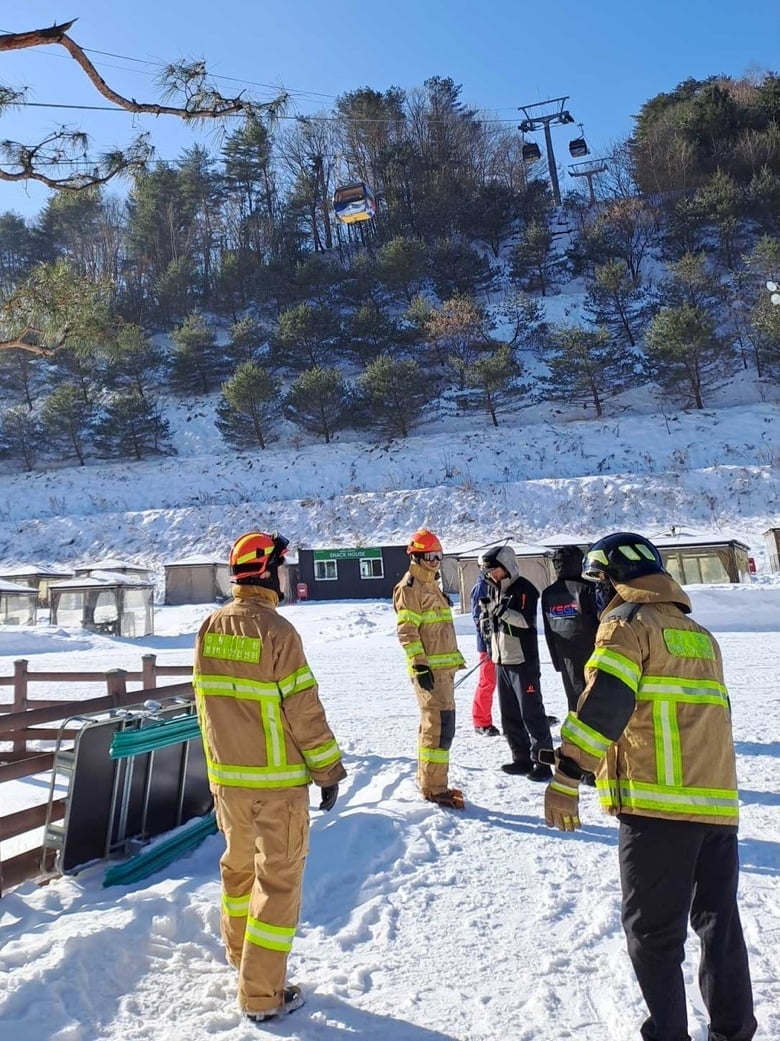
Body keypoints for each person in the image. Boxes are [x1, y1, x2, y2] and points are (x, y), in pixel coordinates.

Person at [544, 531, 756, 1041]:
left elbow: (604, 707)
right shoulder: (698, 633)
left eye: (598, 581)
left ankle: (668, 1034)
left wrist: (567, 774)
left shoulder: (625, 625)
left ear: (610, 580)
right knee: (718, 927)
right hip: (716, 806)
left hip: (658, 807)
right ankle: (732, 1032)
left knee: (652, 935)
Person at [193, 530, 347, 1023]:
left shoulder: (209, 627)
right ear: (265, 572)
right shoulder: (277, 632)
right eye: (281, 567)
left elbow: (207, 707)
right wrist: (327, 770)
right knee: (277, 885)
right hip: (276, 787)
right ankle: (262, 995)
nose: (284, 576)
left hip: (228, 785)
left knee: (238, 873)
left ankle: (239, 957)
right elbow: (304, 712)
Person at [393, 527, 466, 809]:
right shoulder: (409, 588)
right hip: (430, 674)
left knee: (441, 728)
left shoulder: (430, 584)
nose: (435, 561)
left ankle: (434, 782)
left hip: (443, 674)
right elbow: (407, 631)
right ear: (417, 557)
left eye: (439, 556)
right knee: (437, 729)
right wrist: (419, 665)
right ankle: (434, 788)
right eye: (430, 556)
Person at [477, 544, 553, 781]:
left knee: (532, 713)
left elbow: (525, 622)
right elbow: (495, 620)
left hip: (523, 661)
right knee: (509, 714)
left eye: (495, 570)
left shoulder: (525, 589)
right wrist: (486, 621)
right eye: (488, 571)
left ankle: (543, 763)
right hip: (501, 660)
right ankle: (521, 758)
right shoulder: (494, 589)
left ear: (507, 566)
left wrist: (499, 611)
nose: (491, 575)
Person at [541, 544, 600, 713]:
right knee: (595, 696)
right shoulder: (589, 587)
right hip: (592, 650)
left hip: (564, 653)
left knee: (574, 699)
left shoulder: (548, 593)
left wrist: (556, 660)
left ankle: (576, 736)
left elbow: (548, 630)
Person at [470, 572, 499, 735]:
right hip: (488, 646)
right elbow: (479, 618)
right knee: (488, 682)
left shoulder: (499, 584)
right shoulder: (482, 587)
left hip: (504, 643)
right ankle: (481, 721)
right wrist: (488, 643)